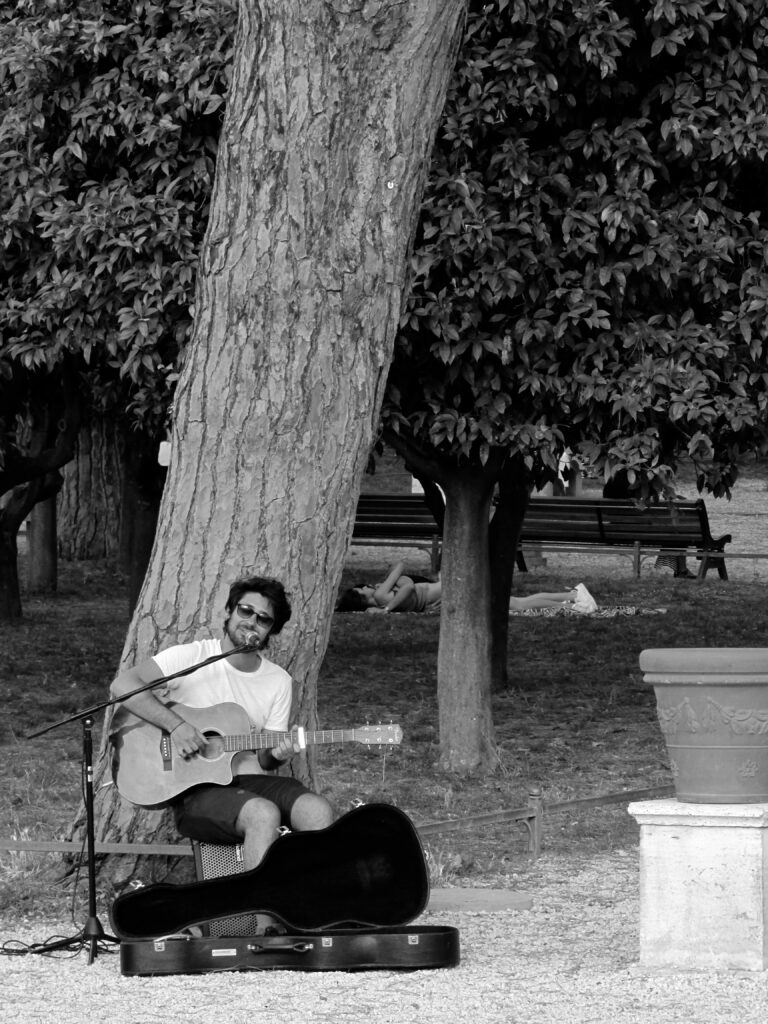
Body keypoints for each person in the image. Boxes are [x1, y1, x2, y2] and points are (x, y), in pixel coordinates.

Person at [110, 575, 334, 871]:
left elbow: (265, 760)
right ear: (229, 611)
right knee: (262, 813)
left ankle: (312, 905)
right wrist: (176, 726)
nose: (252, 622)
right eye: (246, 611)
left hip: (249, 782)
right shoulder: (189, 657)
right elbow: (122, 685)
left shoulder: (278, 681)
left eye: (264, 619)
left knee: (317, 809)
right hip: (193, 790)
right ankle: (259, 911)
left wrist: (280, 752)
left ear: (270, 632)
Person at [337, 561, 598, 615]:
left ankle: (572, 600)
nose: (370, 587)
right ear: (362, 596)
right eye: (364, 589)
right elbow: (404, 580)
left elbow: (407, 584)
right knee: (516, 602)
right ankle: (572, 599)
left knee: (516, 603)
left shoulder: (383, 598)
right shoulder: (383, 596)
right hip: (454, 587)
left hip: (454, 587)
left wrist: (392, 603)